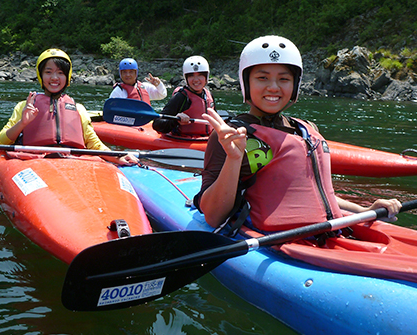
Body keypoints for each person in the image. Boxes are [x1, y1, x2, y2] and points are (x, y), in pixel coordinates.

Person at [194, 35, 401, 233]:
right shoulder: (231, 136)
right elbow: (213, 216)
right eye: (262, 78)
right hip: (276, 244)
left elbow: (314, 194)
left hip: (327, 234)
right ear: (246, 83)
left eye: (284, 79)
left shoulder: (306, 130)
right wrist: (233, 159)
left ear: (295, 85)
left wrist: (364, 211)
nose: (273, 87)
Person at [0, 48, 137, 166]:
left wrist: (118, 157)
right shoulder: (24, 106)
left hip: (71, 161)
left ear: (67, 76)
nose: (54, 78)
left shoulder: (78, 109)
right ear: (40, 75)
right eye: (48, 72)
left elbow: (93, 143)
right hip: (34, 161)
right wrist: (23, 123)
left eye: (60, 73)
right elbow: (1, 141)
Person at [152, 55, 215, 137]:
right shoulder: (181, 97)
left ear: (206, 77)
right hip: (183, 141)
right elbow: (157, 124)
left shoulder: (208, 94)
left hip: (206, 139)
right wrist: (176, 120)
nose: (196, 80)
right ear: (186, 78)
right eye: (191, 75)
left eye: (200, 75)